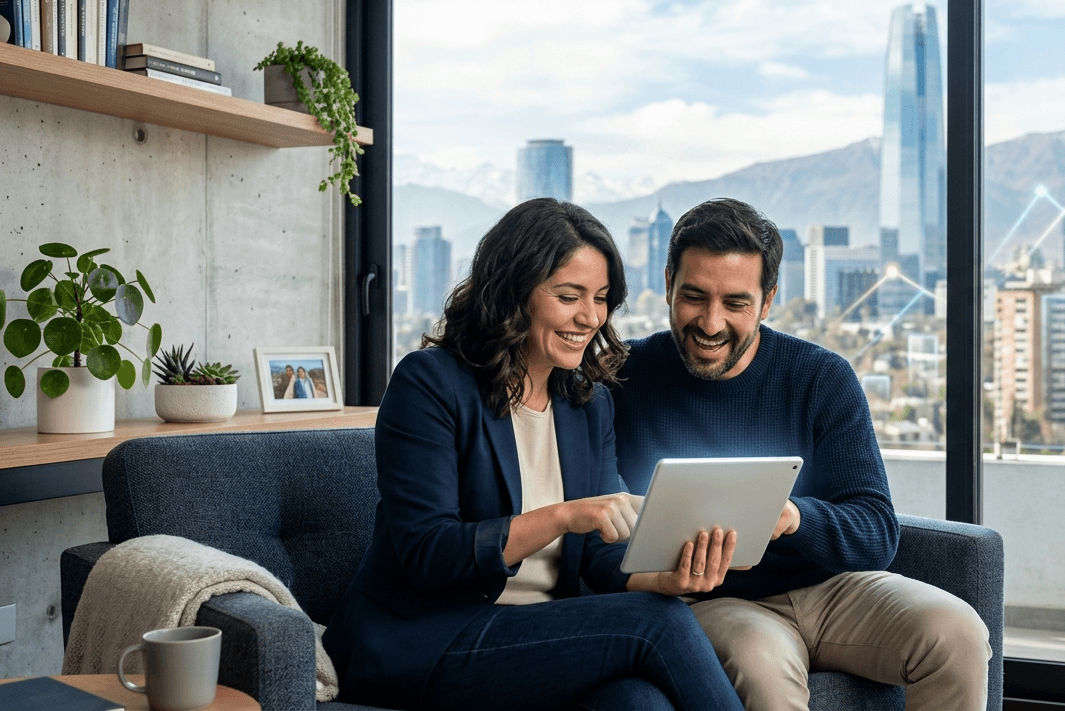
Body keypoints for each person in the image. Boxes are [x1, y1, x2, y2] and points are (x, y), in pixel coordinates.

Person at [322, 198, 745, 711]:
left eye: (602, 298)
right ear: (514, 292)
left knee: (638, 702)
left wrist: (666, 578)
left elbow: (600, 555)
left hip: (535, 634)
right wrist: (563, 517)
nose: (590, 317)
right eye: (570, 296)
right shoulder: (429, 384)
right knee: (659, 622)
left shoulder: (588, 403)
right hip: (426, 639)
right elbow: (427, 555)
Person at [612, 198, 992, 711]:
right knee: (761, 667)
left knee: (958, 632)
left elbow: (877, 531)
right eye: (694, 297)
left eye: (736, 303)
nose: (710, 322)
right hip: (717, 602)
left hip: (835, 593)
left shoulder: (821, 377)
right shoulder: (623, 379)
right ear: (667, 285)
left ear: (767, 301)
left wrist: (793, 517)